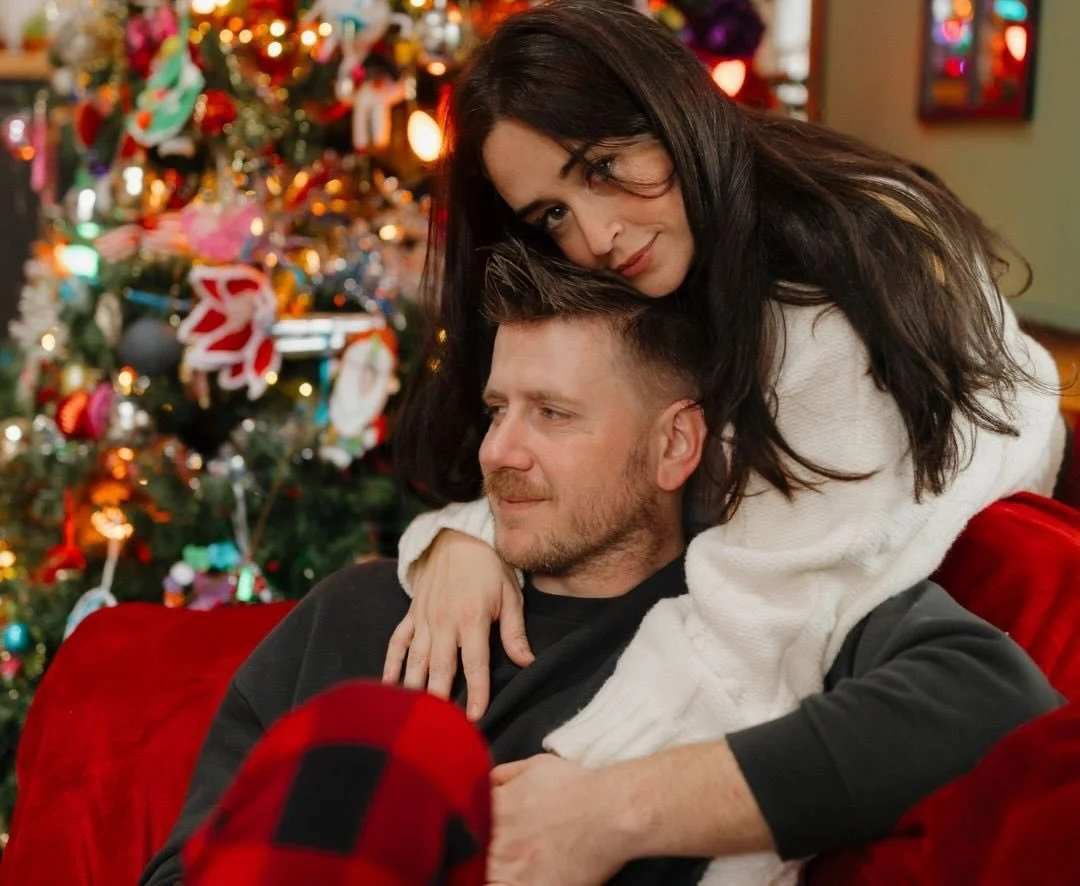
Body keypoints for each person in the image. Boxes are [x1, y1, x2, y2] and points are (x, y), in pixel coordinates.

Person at [382, 0, 1065, 869]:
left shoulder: (829, 299)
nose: (595, 235)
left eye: (604, 167)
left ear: (668, 109)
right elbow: (600, 437)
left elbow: (752, 629)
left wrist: (564, 792)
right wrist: (465, 539)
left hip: (964, 550)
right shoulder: (678, 251)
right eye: (550, 213)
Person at [141, 245, 1060, 886]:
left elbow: (994, 700)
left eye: (553, 413)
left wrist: (611, 812)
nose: (499, 450)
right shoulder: (365, 615)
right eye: (498, 407)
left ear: (675, 446)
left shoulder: (762, 618)